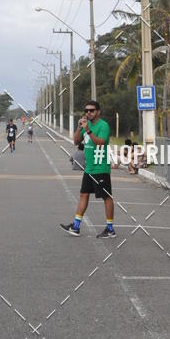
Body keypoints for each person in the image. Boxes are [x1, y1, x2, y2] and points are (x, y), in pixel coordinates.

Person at [61, 100, 114, 238]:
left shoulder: (104, 126)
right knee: (83, 194)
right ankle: (76, 226)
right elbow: (76, 141)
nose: (88, 113)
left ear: (98, 112)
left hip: (100, 167)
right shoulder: (86, 125)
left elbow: (101, 143)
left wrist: (88, 130)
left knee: (106, 197)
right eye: (86, 110)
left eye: (91, 110)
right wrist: (79, 128)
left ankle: (110, 229)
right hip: (89, 168)